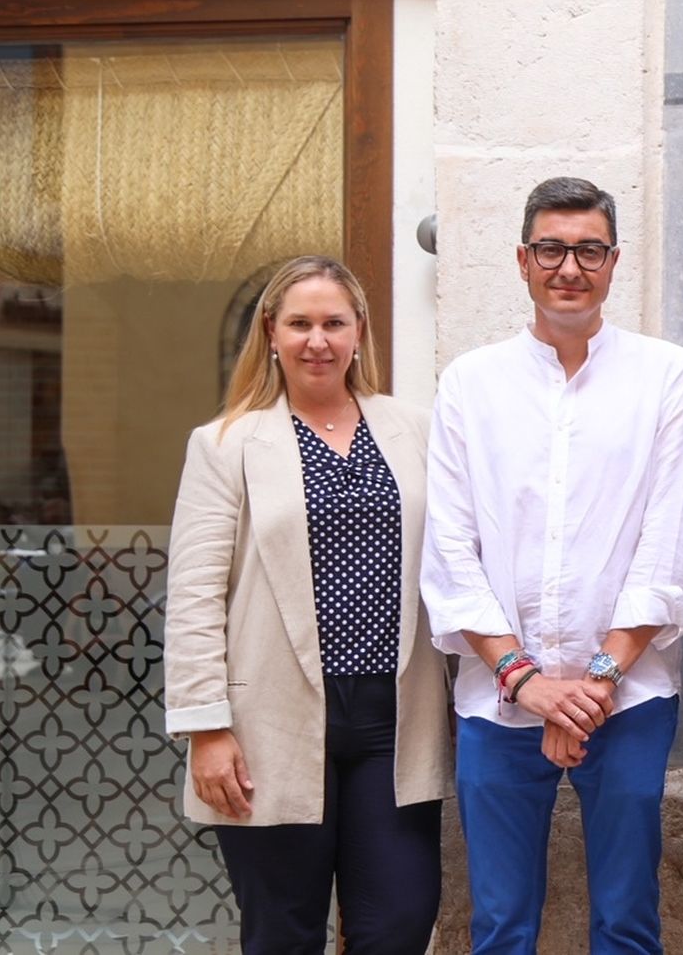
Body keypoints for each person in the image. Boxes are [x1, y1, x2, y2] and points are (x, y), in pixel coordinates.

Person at [421, 176, 683, 954]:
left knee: (626, 923)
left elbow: (670, 544)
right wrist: (528, 683)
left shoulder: (664, 374)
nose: (569, 268)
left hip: (630, 696)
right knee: (500, 927)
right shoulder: (470, 383)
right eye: (551, 249)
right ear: (522, 260)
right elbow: (450, 548)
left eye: (589, 250)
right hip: (498, 699)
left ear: (614, 262)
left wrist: (596, 682)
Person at [164, 256, 451, 954]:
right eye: (299, 324)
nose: (317, 340)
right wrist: (206, 727)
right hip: (269, 724)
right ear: (271, 332)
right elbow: (195, 593)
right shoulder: (226, 444)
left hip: (393, 719)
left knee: (400, 924)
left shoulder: (418, 430)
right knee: (283, 934)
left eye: (333, 323)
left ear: (359, 332)